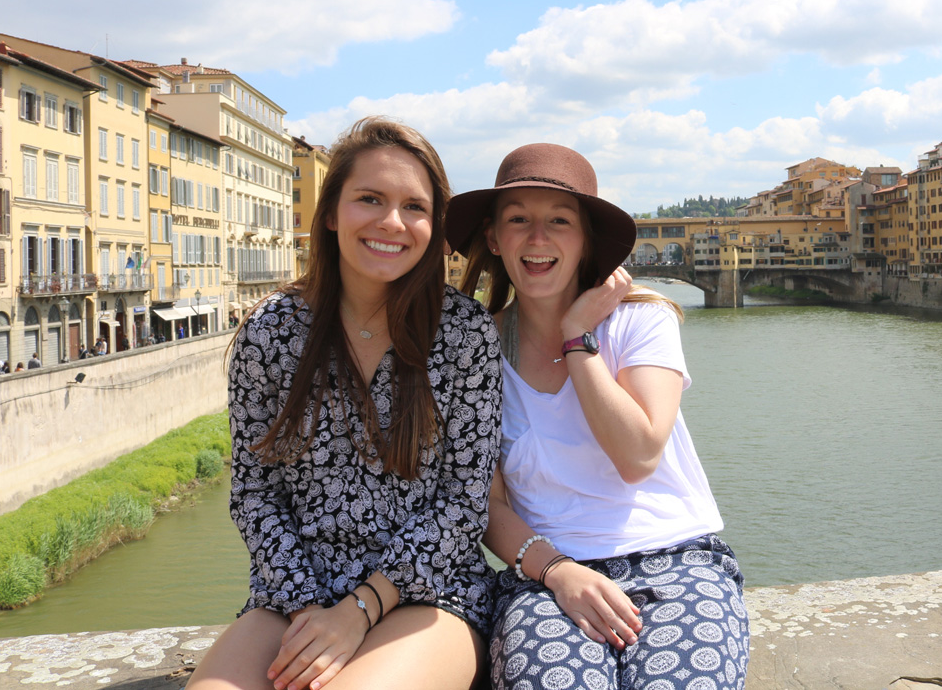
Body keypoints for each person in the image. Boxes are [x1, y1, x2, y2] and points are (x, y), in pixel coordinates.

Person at [187, 118, 501, 690]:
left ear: (434, 226)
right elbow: (254, 493)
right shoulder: (272, 331)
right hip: (294, 594)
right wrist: (312, 613)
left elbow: (463, 505)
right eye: (370, 199)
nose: (392, 222)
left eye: (415, 207)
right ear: (331, 215)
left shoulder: (463, 335)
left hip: (427, 592)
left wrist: (360, 609)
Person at [447, 144, 749, 690]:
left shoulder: (641, 321)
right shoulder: (476, 351)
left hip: (679, 560)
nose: (538, 239)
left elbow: (638, 455)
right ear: (494, 238)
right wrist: (558, 572)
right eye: (519, 220)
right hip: (547, 575)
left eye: (559, 221)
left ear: (585, 239)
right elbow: (484, 505)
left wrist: (577, 339)